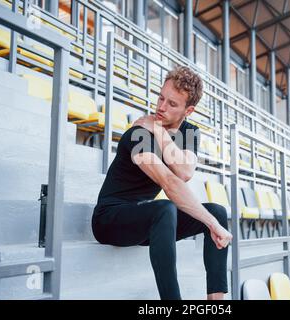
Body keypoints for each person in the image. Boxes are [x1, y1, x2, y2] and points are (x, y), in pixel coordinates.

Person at [92, 66, 232, 300]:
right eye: (161, 98)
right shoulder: (139, 133)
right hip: (111, 220)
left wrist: (159, 130)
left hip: (148, 222)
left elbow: (185, 170)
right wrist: (211, 224)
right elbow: (170, 182)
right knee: (165, 208)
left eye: (172, 104)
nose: (161, 107)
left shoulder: (186, 131)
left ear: (189, 110)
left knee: (217, 212)